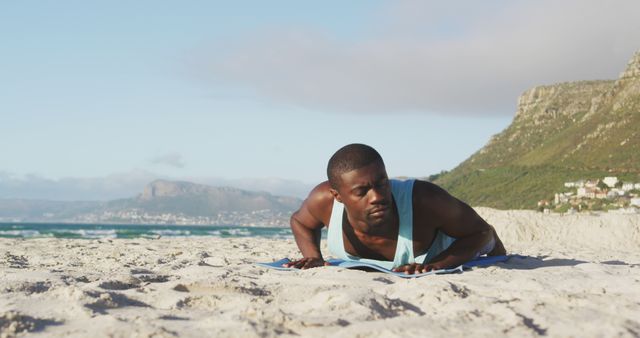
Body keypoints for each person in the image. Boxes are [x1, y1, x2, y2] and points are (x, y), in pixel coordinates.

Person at [285, 143, 506, 275]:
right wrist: (313, 256)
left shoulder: (425, 199)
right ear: (337, 196)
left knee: (490, 243)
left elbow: (480, 232)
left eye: (381, 183)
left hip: (464, 240)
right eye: (362, 191)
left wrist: (437, 265)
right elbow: (300, 222)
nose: (378, 197)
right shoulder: (323, 200)